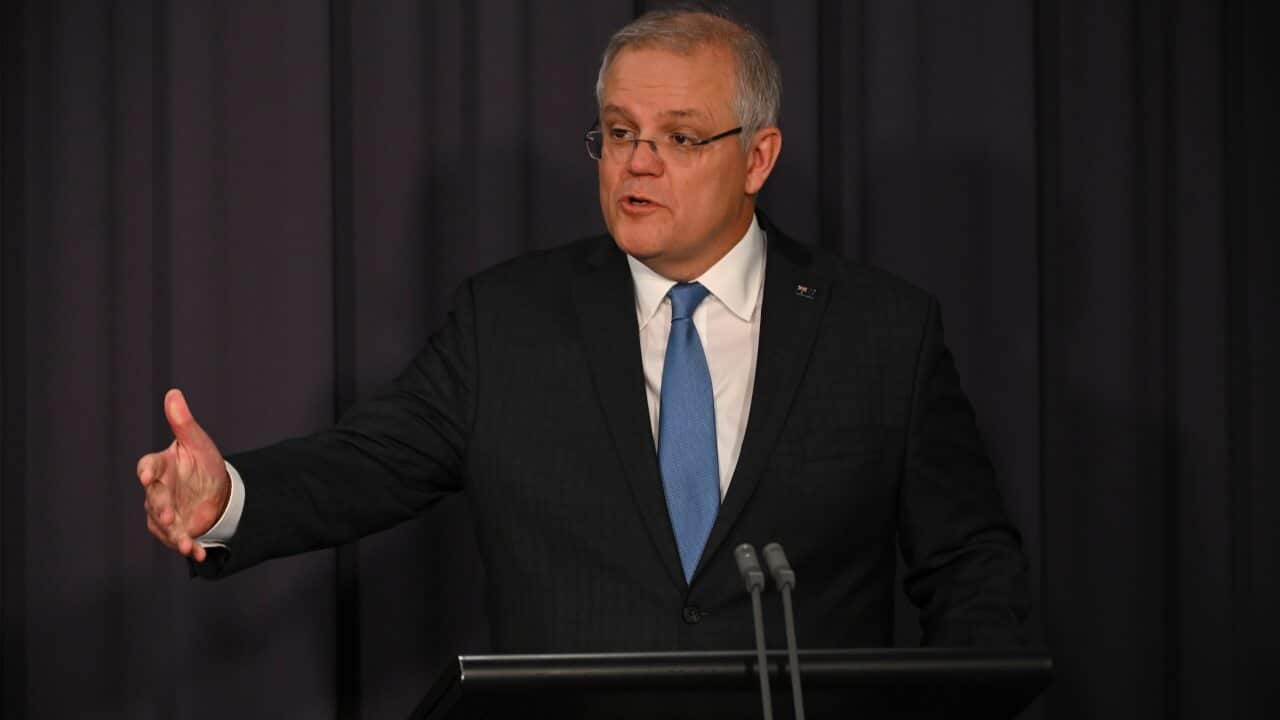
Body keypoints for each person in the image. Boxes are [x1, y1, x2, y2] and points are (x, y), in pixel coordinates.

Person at [138, 9, 1028, 652]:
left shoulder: (881, 331)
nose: (639, 162)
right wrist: (227, 501)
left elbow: (969, 563)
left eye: (680, 138)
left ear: (758, 157)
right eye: (618, 132)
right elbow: (366, 463)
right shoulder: (509, 322)